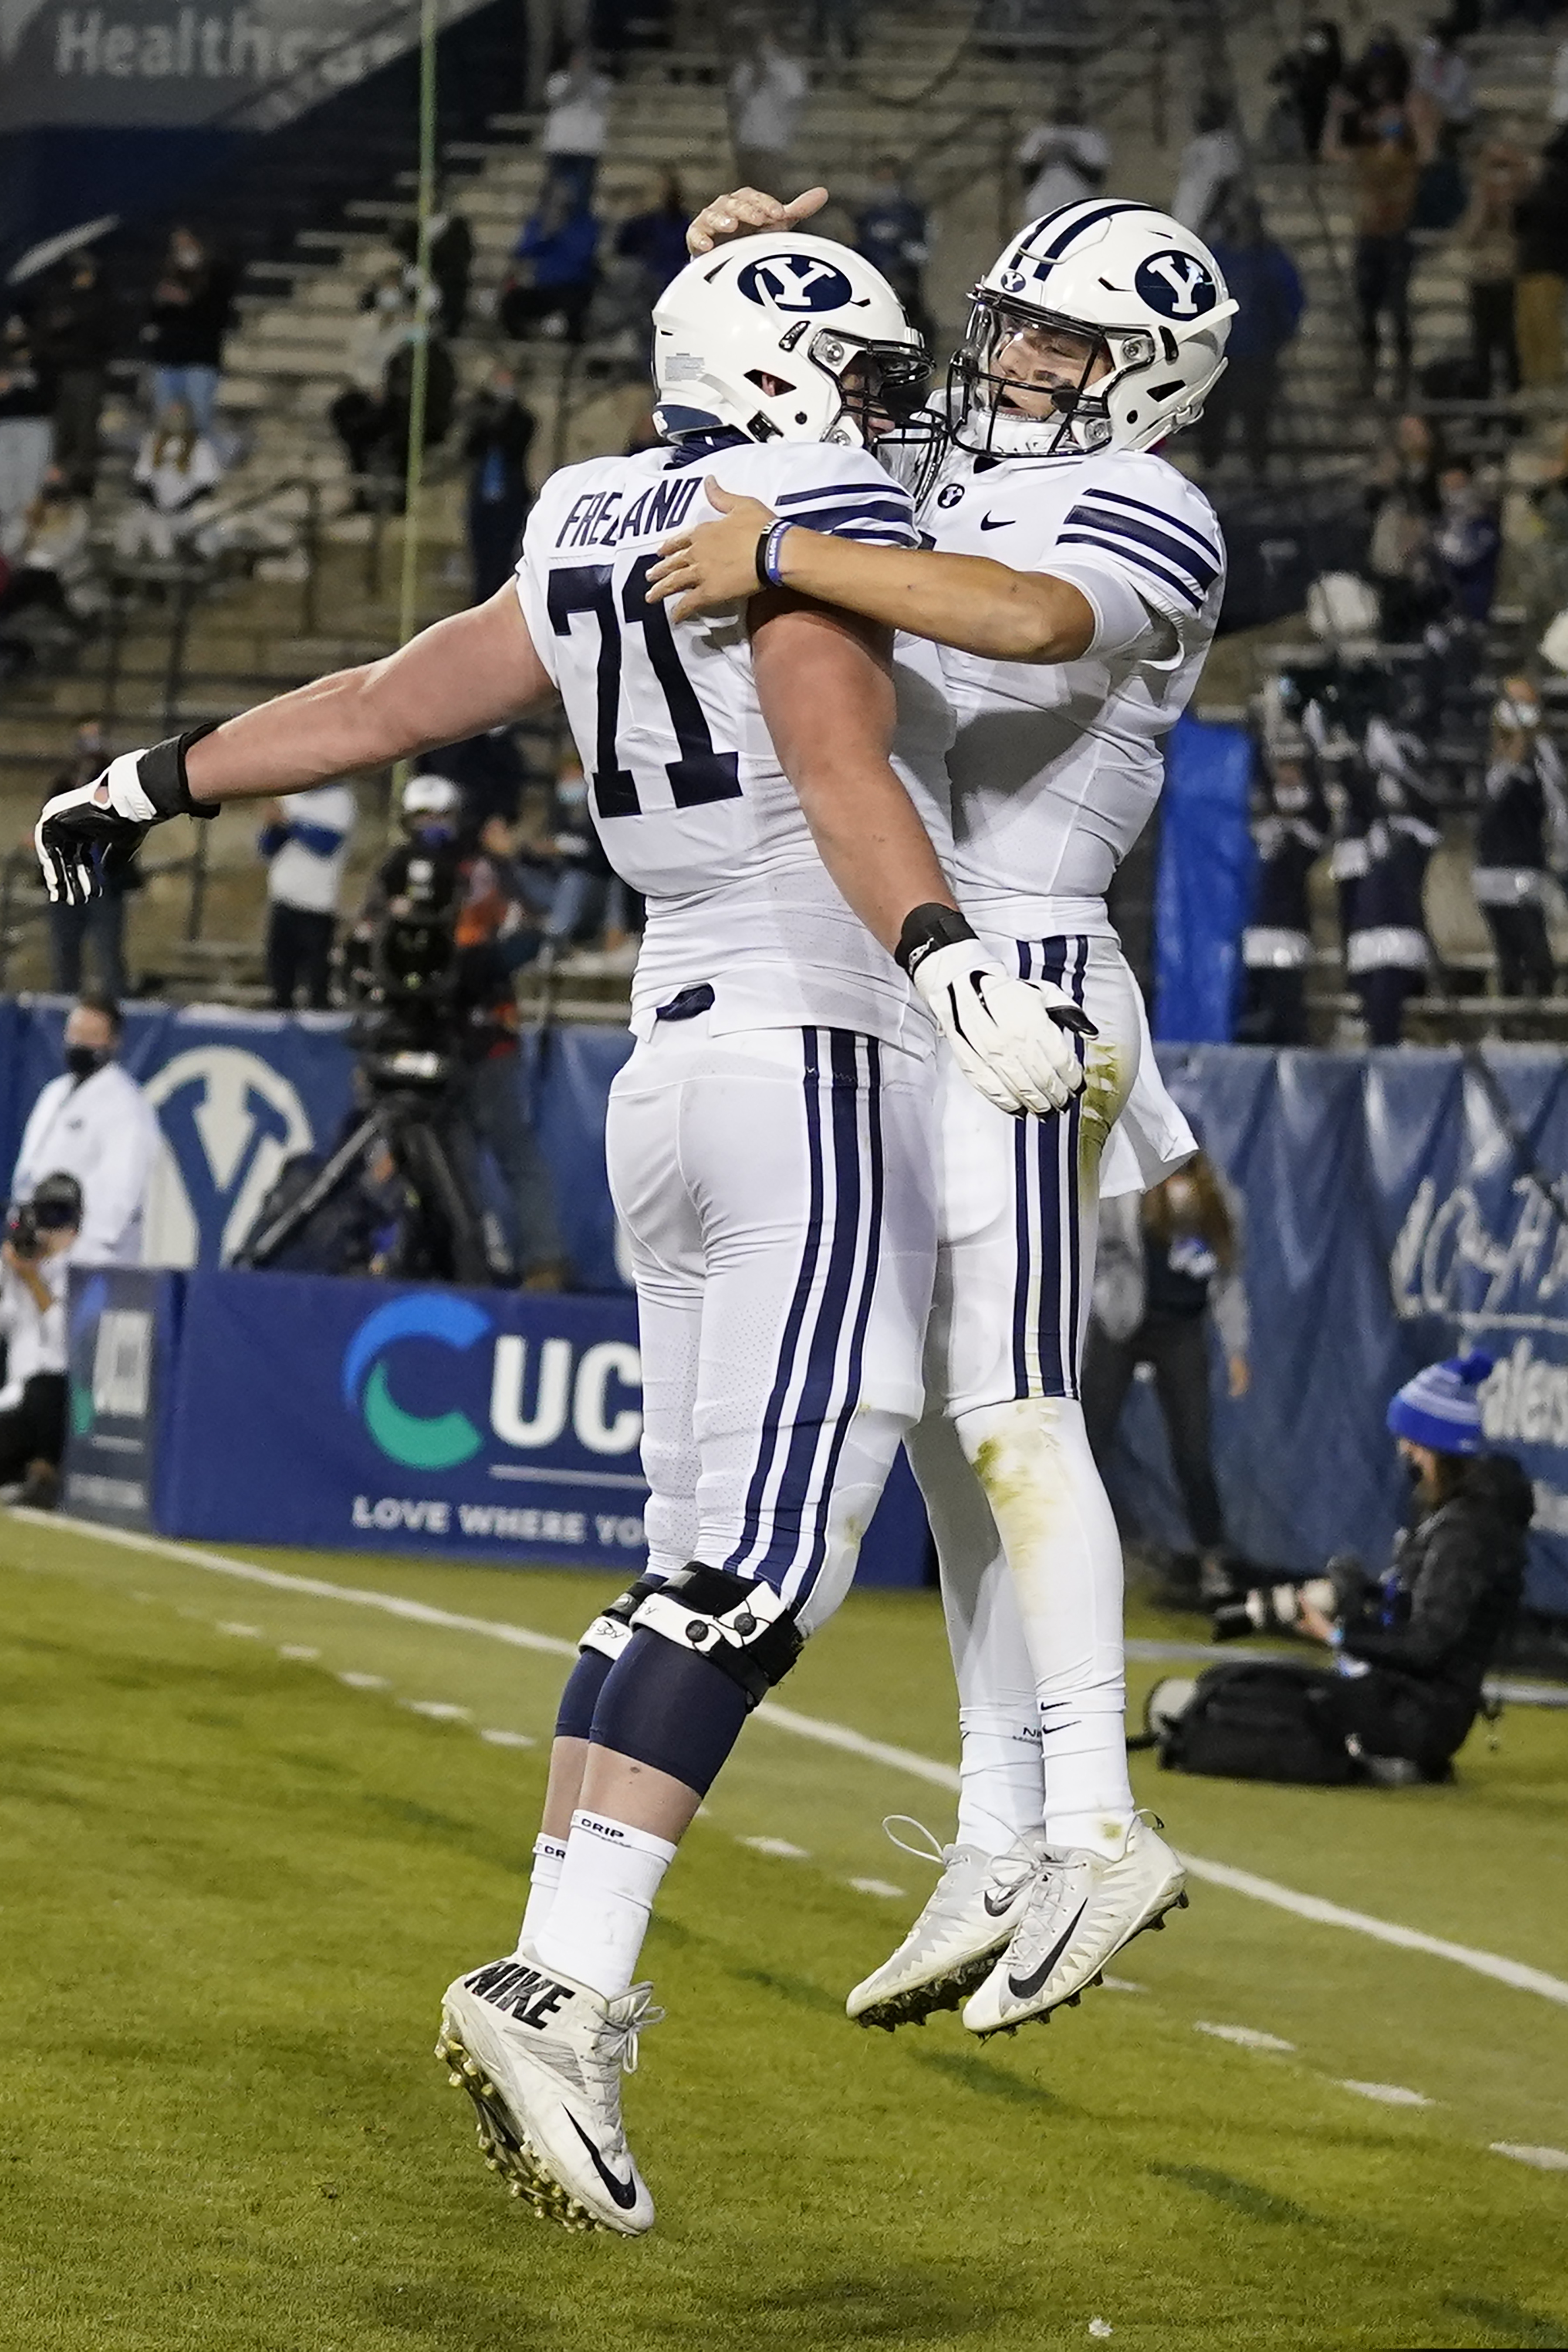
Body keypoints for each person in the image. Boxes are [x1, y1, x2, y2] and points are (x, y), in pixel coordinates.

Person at [33, 230, 1084, 2236]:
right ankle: (578, 1981)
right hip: (812, 1041)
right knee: (764, 1568)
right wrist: (944, 953)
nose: (877, 402)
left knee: (682, 1565)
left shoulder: (599, 505)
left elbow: (374, 702)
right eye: (849, 366)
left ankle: (557, 1975)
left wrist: (146, 777)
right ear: (784, 375)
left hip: (663, 1061)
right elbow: (842, 751)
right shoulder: (807, 508)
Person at [651, 187, 1236, 2043]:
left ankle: (1098, 1824)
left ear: (1149, 376)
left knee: (1010, 1408)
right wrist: (720, 257)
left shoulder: (1152, 502)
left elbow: (1015, 612)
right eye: (1013, 326)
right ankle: (997, 1833)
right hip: (918, 975)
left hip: (1031, 978)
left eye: (1062, 342)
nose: (1015, 362)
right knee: (932, 1436)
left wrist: (793, 565)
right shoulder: (974, 442)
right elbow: (785, 380)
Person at [1293, 1352, 1531, 1781]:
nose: (1405, 1451)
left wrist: (1339, 1635)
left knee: (1287, 1700)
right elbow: (1417, 1608)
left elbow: (1427, 1646)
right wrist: (1357, 1592)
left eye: (1413, 1441)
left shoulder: (1467, 1534)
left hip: (1419, 1716)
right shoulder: (1456, 1518)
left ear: (1438, 1446)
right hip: (1411, 1703)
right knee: (1283, 1691)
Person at [1082, 1156, 1249, 1609]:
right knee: (1086, 1442)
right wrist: (1105, 1296)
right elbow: (1092, 1249)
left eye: (1187, 1170)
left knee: (1193, 1453)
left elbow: (1229, 1282)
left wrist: (1236, 1350)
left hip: (1181, 1332)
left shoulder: (1220, 1203)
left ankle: (1214, 1562)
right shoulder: (1124, 1194)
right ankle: (1064, 1554)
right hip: (1123, 1324)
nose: (1178, 1182)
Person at [10, 993, 160, 1267]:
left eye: (91, 1035)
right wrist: (24, 1227)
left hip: (94, 1260)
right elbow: (28, 1171)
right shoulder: (53, 1093)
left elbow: (120, 1197)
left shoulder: (126, 1106)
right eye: (75, 1033)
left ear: (113, 1042)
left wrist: (68, 1237)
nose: (80, 1043)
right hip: (35, 1252)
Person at [1471, 678, 1568, 997]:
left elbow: (1557, 810)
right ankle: (1514, 1025)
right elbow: (1490, 800)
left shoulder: (1542, 760)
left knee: (1538, 957)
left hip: (1525, 872)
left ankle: (1536, 1023)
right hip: (1492, 872)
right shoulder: (1491, 764)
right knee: (1510, 959)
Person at [1327, 83, 1422, 400]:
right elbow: (1332, 153)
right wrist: (1341, 117)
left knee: (1398, 311)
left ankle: (1402, 381)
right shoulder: (1367, 154)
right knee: (1367, 313)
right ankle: (1368, 379)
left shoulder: (1405, 156)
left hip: (1393, 238)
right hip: (1369, 238)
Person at [1200, 198, 1304, 480]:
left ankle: (1259, 472)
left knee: (1257, 418)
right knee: (1214, 416)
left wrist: (1281, 335)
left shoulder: (1271, 258)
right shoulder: (1216, 256)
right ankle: (1210, 467)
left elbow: (1292, 299)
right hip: (1222, 354)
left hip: (1259, 354)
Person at [0, 1170, 82, 1510]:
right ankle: (21, 1475)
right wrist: (10, 1274)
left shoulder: (81, 1269)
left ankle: (44, 1471)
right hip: (15, 1397)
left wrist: (33, 1279)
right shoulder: (21, 1261)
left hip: (60, 1401)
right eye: (47, 1215)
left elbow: (66, 1342)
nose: (54, 1229)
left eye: (62, 1216)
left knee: (46, 1384)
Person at [1239, 750, 1327, 1045]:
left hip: (1291, 924)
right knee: (1256, 1003)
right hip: (1258, 921)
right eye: (1283, 767)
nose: (1288, 775)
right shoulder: (1260, 817)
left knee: (1287, 1002)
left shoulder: (1313, 819)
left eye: (1294, 768)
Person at [45, 723, 128, 995]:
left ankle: (116, 1007)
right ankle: (64, 1007)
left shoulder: (118, 781)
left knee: (108, 952)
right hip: (67, 878)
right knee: (65, 951)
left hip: (102, 879)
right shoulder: (63, 783)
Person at [258, 781, 356, 1011]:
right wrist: (274, 826)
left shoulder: (339, 800)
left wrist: (289, 823)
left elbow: (327, 844)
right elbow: (267, 848)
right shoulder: (290, 795)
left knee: (316, 984)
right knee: (280, 983)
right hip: (283, 902)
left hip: (317, 907)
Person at [31, 252, 115, 493]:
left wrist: (72, 324)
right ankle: (58, 480)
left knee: (85, 430)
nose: (82, 277)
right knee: (61, 429)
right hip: (61, 373)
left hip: (89, 372)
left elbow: (104, 335)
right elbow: (45, 332)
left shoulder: (101, 300)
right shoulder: (60, 298)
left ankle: (82, 481)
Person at [140, 226, 233, 438]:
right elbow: (154, 314)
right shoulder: (165, 274)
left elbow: (217, 315)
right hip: (168, 359)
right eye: (178, 246)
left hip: (200, 360)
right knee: (164, 422)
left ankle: (199, 464)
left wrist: (187, 301)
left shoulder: (218, 275)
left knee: (199, 423)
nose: (182, 250)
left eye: (187, 244)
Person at [1452, 137, 1527, 395]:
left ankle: (1516, 411)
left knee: (1512, 347)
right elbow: (1466, 238)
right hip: (1482, 278)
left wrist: (1508, 207)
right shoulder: (1479, 197)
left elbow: (1523, 236)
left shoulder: (1525, 199)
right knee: (1481, 347)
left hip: (1510, 279)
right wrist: (1484, 206)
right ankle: (1482, 411)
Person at [463, 364, 535, 603]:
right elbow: (470, 447)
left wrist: (502, 415)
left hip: (510, 497)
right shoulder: (481, 416)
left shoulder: (523, 419)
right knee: (481, 557)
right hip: (483, 496)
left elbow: (514, 442)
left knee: (505, 556)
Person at [117, 403, 222, 563]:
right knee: (129, 527)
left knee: (162, 532)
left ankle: (167, 566)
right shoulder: (153, 442)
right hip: (156, 509)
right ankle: (127, 567)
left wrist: (179, 507)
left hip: (186, 511)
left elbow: (207, 486)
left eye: (180, 416)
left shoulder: (200, 447)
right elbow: (142, 480)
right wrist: (156, 506)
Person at [500, 185, 600, 345]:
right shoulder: (539, 223)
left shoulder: (585, 224)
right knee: (512, 301)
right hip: (543, 287)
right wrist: (545, 235)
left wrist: (561, 233)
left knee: (577, 306)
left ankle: (572, 344)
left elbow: (583, 254)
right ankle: (520, 340)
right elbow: (522, 251)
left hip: (573, 286)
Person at [854, 157, 934, 355]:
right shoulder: (866, 216)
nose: (884, 187)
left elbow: (923, 252)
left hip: (903, 288)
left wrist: (902, 251)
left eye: (889, 180)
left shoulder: (913, 214)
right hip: (871, 287)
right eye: (880, 180)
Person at [1514, 122, 1568, 391]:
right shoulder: (1549, 181)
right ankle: (1541, 385)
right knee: (1533, 332)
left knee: (1541, 333)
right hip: (1538, 262)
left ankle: (1547, 386)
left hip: (1547, 263)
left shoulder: (1554, 183)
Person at [728, 28, 809, 196]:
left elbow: (795, 95)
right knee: (744, 194)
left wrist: (770, 74)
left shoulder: (788, 69)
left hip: (773, 143)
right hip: (747, 140)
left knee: (769, 193)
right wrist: (755, 75)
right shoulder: (746, 67)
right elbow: (736, 95)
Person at [0, 315, 54, 558]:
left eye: (20, 330)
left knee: (31, 488)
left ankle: (24, 550)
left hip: (35, 425)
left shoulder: (42, 359)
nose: (15, 335)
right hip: (4, 424)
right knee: (4, 487)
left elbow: (50, 397)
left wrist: (19, 386)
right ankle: (7, 553)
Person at [392, 188, 474, 340]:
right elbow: (401, 246)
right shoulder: (413, 228)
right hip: (419, 279)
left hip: (446, 282)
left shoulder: (457, 227)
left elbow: (462, 256)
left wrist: (436, 271)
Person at [542, 47, 612, 213]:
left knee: (583, 193)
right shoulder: (558, 82)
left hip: (587, 147)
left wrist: (587, 79)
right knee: (554, 190)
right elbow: (557, 96)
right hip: (560, 145)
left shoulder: (600, 84)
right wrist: (576, 80)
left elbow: (605, 95)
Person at [1171, 93, 1244, 245]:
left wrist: (1206, 222)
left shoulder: (1224, 144)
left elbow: (1225, 187)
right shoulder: (1198, 143)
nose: (1199, 116)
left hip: (1208, 226)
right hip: (1187, 219)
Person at [1016, 105, 1110, 222]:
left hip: (1078, 207)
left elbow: (1096, 178)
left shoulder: (1090, 137)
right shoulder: (1040, 135)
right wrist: (1044, 156)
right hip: (1041, 209)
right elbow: (1027, 176)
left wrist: (1071, 157)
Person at [615, 172, 693, 310]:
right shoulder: (638, 226)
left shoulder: (686, 225)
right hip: (643, 289)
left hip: (675, 285)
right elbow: (623, 252)